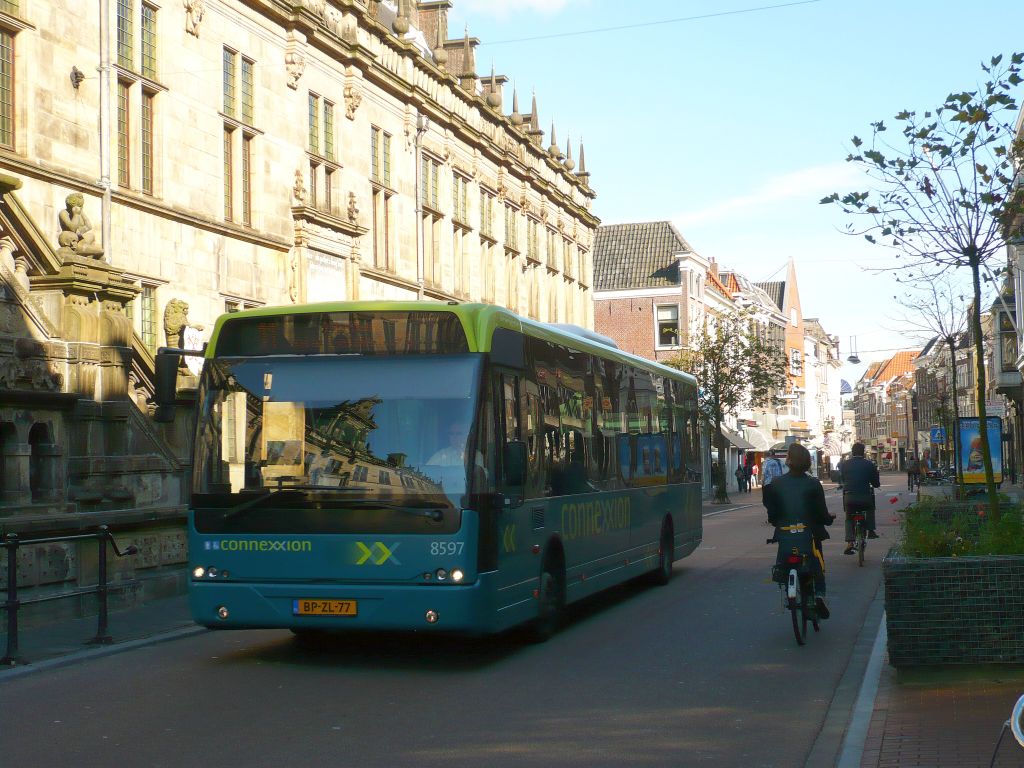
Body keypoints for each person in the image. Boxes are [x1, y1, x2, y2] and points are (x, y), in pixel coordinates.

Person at [763, 443, 835, 618]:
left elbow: (771, 512)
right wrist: (828, 519)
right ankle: (819, 594)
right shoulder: (813, 484)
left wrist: (776, 522)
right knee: (816, 560)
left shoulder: (776, 483)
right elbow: (821, 511)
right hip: (808, 534)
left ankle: (788, 590)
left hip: (785, 533)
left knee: (784, 560)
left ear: (788, 461)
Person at [839, 442, 881, 553]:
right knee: (870, 508)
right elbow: (876, 483)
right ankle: (871, 530)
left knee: (848, 517)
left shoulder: (845, 464)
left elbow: (842, 479)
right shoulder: (869, 464)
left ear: (852, 452)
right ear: (863, 452)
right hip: (865, 498)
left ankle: (849, 541)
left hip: (850, 497)